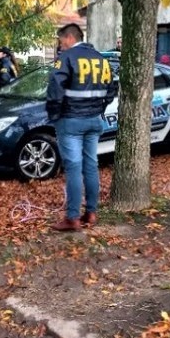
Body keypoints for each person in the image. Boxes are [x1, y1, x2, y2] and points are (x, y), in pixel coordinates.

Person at [46, 23, 117, 232]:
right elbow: (111, 89)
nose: (61, 45)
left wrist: (54, 116)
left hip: (70, 121)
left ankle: (72, 218)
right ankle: (92, 213)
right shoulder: (101, 59)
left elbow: (55, 89)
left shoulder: (67, 58)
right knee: (91, 165)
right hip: (94, 120)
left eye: (61, 41)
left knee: (74, 168)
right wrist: (98, 107)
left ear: (69, 38)